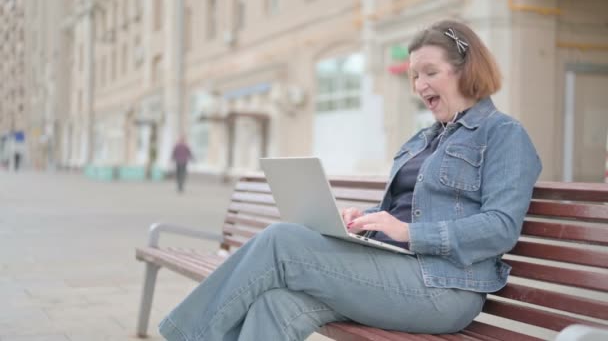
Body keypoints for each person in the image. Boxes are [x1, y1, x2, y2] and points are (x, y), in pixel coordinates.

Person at [158, 20, 542, 340]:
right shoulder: (422, 140)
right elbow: (399, 212)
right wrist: (365, 220)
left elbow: (501, 228)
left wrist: (410, 232)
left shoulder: (503, 134)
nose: (419, 85)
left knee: (282, 242)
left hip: (446, 288)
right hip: (395, 270)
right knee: (276, 302)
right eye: (413, 76)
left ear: (465, 69)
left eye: (430, 73)